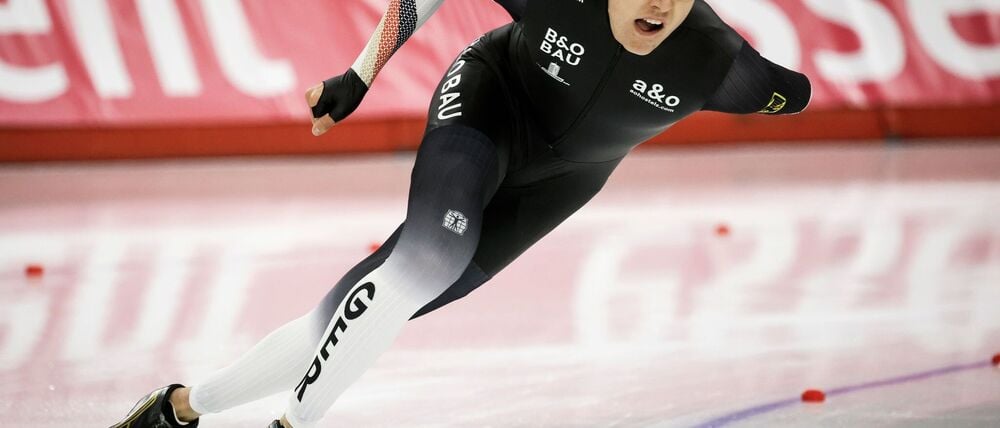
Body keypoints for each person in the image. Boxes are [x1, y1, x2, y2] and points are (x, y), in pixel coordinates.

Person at [110, 0, 810, 426]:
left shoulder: (722, 64)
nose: (657, 5)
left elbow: (796, 92)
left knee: (374, 304)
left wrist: (795, 90)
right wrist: (360, 73)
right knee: (422, 263)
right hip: (488, 104)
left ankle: (179, 410)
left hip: (559, 185)